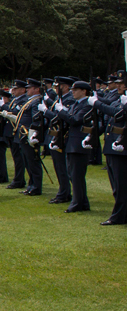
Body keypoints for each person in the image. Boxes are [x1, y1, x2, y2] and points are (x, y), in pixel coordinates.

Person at [43, 80, 93, 213]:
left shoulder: (87, 104)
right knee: (73, 174)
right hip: (71, 142)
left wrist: (61, 111)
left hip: (79, 143)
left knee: (76, 175)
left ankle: (77, 203)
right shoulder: (77, 104)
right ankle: (83, 202)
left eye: (76, 90)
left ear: (84, 91)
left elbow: (75, 120)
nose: (73, 92)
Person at [92, 72, 127, 225]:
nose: (117, 86)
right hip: (112, 146)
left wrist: (96, 103)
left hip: (121, 147)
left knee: (121, 186)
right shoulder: (119, 99)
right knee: (116, 186)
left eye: (121, 83)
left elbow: (117, 114)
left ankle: (119, 216)